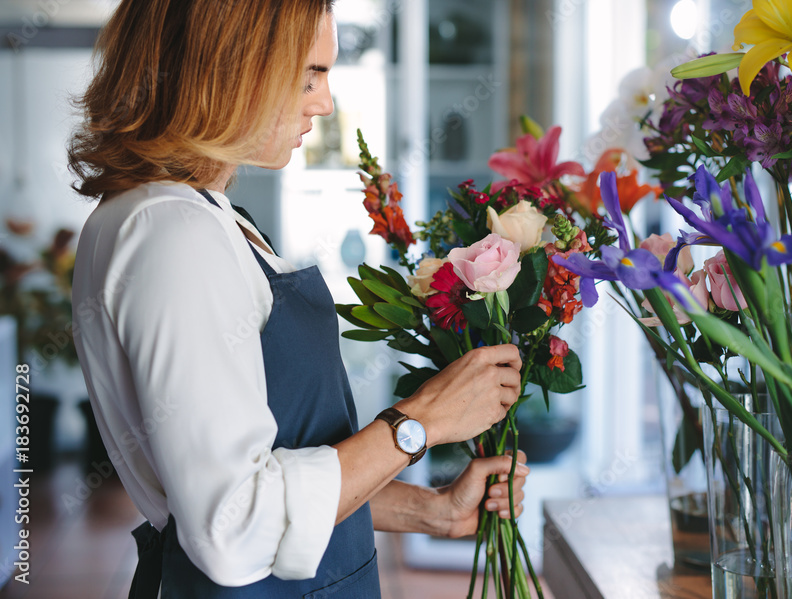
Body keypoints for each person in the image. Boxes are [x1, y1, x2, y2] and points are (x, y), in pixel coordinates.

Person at [67, 1, 529, 597]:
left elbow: (274, 469)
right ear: (224, 66)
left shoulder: (197, 216)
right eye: (309, 73)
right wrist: (421, 422)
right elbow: (231, 526)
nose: (324, 102)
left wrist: (431, 510)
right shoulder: (172, 234)